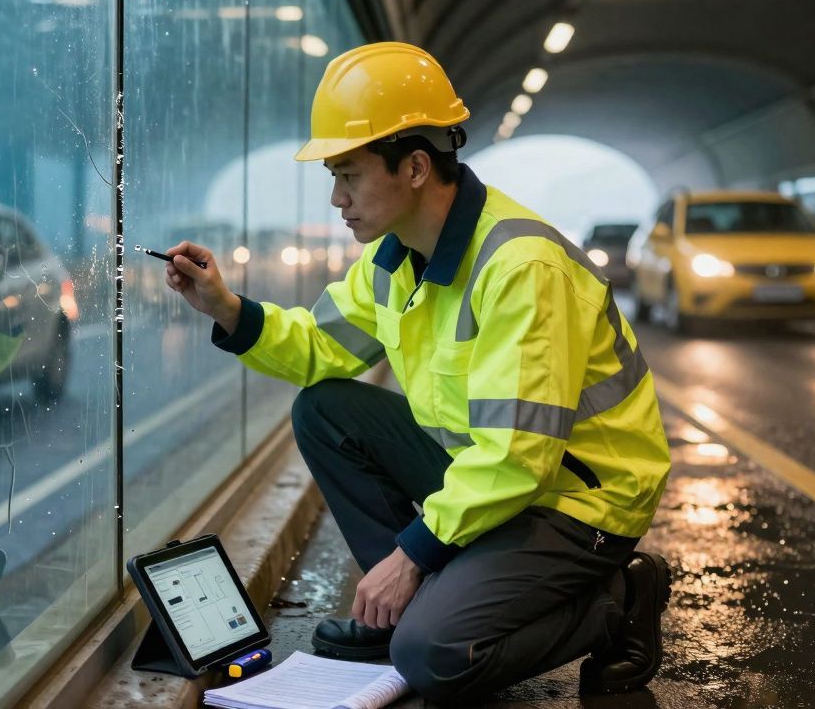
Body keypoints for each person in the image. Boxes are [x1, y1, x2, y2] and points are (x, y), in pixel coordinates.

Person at [161, 42, 673, 703]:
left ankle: (619, 599)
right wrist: (226, 308)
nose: (337, 198)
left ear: (415, 166)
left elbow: (519, 457)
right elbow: (319, 347)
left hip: (576, 501)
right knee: (326, 410)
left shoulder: (521, 268)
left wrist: (412, 556)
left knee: (434, 658)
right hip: (491, 478)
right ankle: (403, 610)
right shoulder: (397, 258)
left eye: (349, 175)